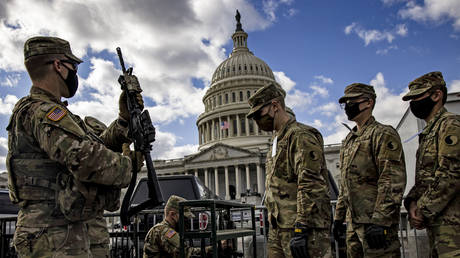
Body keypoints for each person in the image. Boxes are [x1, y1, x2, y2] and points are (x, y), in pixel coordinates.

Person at [7, 36, 143, 257]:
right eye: (74, 66)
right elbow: (85, 158)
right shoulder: (43, 113)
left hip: (62, 227)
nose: (75, 73)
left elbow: (95, 144)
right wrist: (128, 166)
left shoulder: (53, 112)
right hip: (51, 230)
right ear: (58, 66)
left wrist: (123, 121)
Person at [246, 83, 331, 258]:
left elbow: (310, 184)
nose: (257, 121)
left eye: (259, 114)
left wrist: (302, 226)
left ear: (275, 106)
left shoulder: (300, 135)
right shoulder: (277, 140)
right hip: (279, 227)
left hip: (301, 228)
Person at [333, 83, 407, 257]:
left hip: (375, 224)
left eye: (352, 101)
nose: (348, 106)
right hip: (353, 225)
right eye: (345, 103)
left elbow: (391, 180)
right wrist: (338, 217)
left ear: (368, 103)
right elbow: (345, 185)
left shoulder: (382, 134)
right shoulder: (349, 141)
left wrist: (381, 221)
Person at [402, 71, 460, 258]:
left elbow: (451, 173)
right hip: (437, 224)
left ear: (436, 95)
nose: (413, 103)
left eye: (417, 97)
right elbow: (425, 179)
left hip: (454, 226)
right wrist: (412, 202)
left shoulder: (450, 125)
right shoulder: (429, 133)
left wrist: (423, 209)